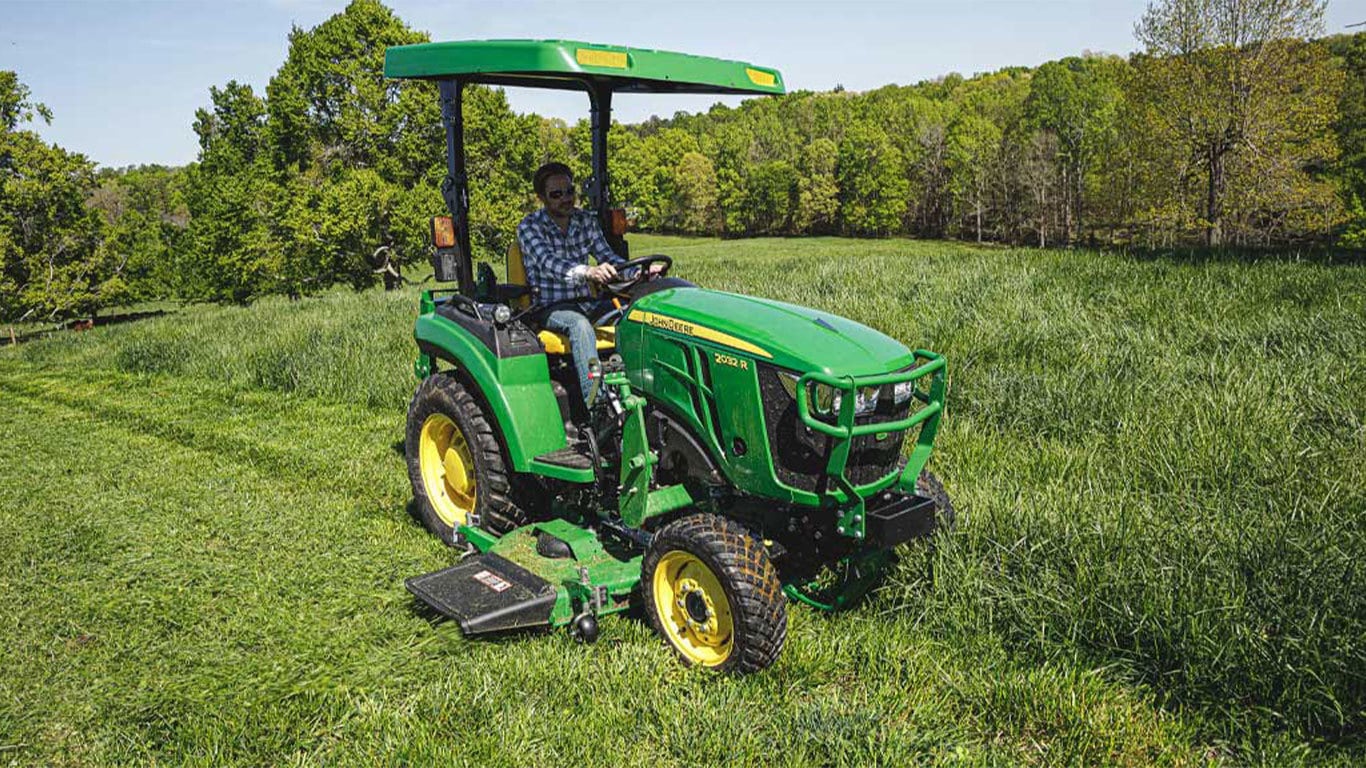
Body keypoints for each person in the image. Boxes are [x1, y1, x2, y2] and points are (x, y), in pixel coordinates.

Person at [516, 162, 628, 408]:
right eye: (556, 194)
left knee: (632, 315)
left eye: (569, 191)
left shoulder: (585, 221)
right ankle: (597, 405)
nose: (566, 199)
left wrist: (639, 270)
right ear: (541, 198)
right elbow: (548, 263)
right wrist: (588, 271)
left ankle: (635, 389)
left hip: (587, 302)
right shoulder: (530, 227)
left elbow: (606, 256)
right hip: (551, 306)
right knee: (580, 326)